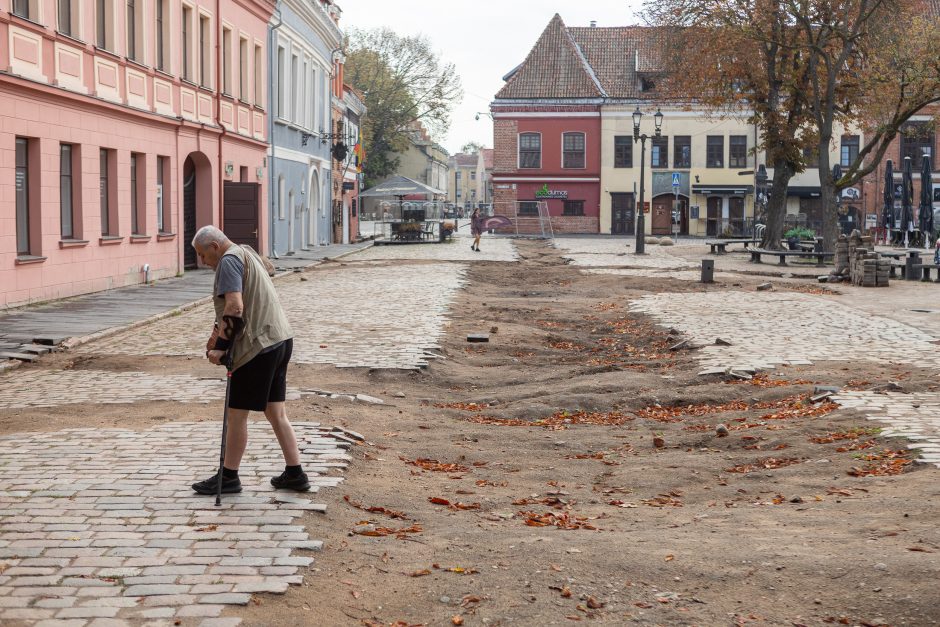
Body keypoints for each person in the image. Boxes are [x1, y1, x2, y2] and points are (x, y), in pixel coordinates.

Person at [190, 226, 309, 495]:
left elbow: (235, 306)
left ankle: (229, 477)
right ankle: (295, 473)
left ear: (215, 247)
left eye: (203, 254)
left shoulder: (228, 261)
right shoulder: (246, 252)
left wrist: (221, 348)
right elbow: (263, 279)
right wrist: (218, 329)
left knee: (236, 415)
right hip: (280, 338)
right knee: (276, 413)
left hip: (257, 348)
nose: (203, 262)